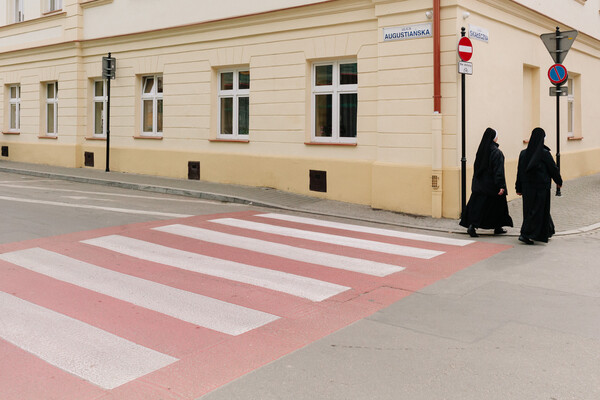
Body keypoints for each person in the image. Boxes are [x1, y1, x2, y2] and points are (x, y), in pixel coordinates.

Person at [460, 127, 513, 237]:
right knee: (497, 206)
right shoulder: (497, 153)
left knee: (479, 207)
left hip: (480, 185)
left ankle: (475, 225)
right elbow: (498, 171)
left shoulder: (481, 151)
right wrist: (501, 186)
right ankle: (496, 227)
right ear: (494, 138)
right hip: (492, 185)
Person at [515, 127, 563, 244]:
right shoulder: (544, 154)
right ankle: (526, 234)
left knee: (530, 210)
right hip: (541, 187)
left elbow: (519, 172)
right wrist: (559, 181)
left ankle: (547, 230)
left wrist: (518, 188)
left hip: (527, 188)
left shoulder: (523, 153)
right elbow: (553, 169)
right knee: (538, 211)